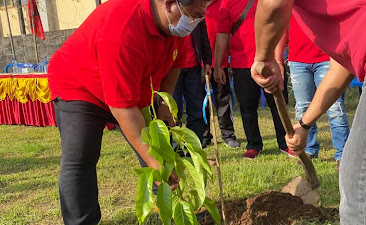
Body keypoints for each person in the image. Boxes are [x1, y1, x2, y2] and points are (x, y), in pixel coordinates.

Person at [47, 0, 210, 224]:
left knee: (158, 145)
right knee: (81, 156)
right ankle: (81, 221)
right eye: (193, 15)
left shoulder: (176, 26)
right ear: (170, 4)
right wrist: (155, 163)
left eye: (200, 16)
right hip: (80, 84)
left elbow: (175, 63)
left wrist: (163, 102)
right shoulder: (122, 29)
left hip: (134, 85)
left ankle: (167, 207)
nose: (194, 22)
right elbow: (122, 107)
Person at [251, 0, 366, 224]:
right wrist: (304, 125)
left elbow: (273, 4)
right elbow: (340, 68)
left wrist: (263, 58)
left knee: (364, 183)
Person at [215, 0, 292, 159]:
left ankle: (285, 143)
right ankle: (253, 144)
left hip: (269, 63)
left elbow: (279, 27)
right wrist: (218, 66)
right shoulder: (227, 3)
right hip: (241, 63)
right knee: (247, 107)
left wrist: (278, 60)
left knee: (278, 104)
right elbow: (222, 36)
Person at [284, 17, 350, 169]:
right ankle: (309, 150)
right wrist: (275, 56)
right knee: (303, 108)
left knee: (335, 110)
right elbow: (280, 25)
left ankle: (343, 155)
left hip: (327, 58)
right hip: (298, 60)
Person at [202, 0, 240, 149]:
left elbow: (229, 34)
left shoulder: (224, 4)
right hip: (200, 64)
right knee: (200, 102)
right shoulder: (194, 4)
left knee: (223, 100)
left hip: (220, 63)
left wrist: (228, 62)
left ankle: (228, 134)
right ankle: (204, 135)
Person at [173, 20, 212, 143]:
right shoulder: (167, 8)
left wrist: (207, 61)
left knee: (196, 110)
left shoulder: (194, 7)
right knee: (174, 110)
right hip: (172, 69)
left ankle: (196, 146)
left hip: (193, 67)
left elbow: (203, 36)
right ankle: (175, 148)